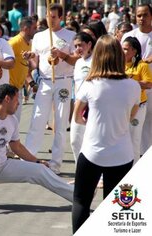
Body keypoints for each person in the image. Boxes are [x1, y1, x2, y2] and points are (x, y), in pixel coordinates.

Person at [72, 35, 141, 233]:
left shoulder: (90, 85)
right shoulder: (133, 86)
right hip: (122, 155)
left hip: (93, 152)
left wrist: (91, 120)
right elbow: (130, 116)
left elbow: (77, 117)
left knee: (81, 201)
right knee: (115, 207)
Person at [24, 4, 79, 175]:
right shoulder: (39, 36)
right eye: (48, 16)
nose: (51, 20)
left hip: (63, 81)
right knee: (37, 118)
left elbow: (76, 60)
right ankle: (29, 157)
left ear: (61, 18)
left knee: (61, 122)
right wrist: (30, 58)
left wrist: (62, 55)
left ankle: (56, 163)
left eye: (54, 17)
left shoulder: (70, 36)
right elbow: (35, 61)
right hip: (45, 82)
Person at [121, 4, 152, 156]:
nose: (142, 18)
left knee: (149, 126)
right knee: (135, 128)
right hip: (135, 89)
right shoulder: (130, 36)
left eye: (145, 15)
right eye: (139, 15)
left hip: (148, 84)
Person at [70, 32, 95, 163]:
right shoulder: (78, 62)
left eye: (81, 45)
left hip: (92, 108)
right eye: (75, 46)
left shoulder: (97, 61)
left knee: (91, 142)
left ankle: (99, 176)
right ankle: (80, 171)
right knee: (75, 141)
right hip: (78, 105)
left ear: (89, 44)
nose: (78, 49)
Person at [8, 16, 37, 121]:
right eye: (34, 28)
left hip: (18, 88)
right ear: (26, 28)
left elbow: (27, 66)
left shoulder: (29, 43)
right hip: (9, 88)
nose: (36, 30)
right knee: (10, 121)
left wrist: (31, 83)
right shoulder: (14, 43)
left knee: (15, 121)